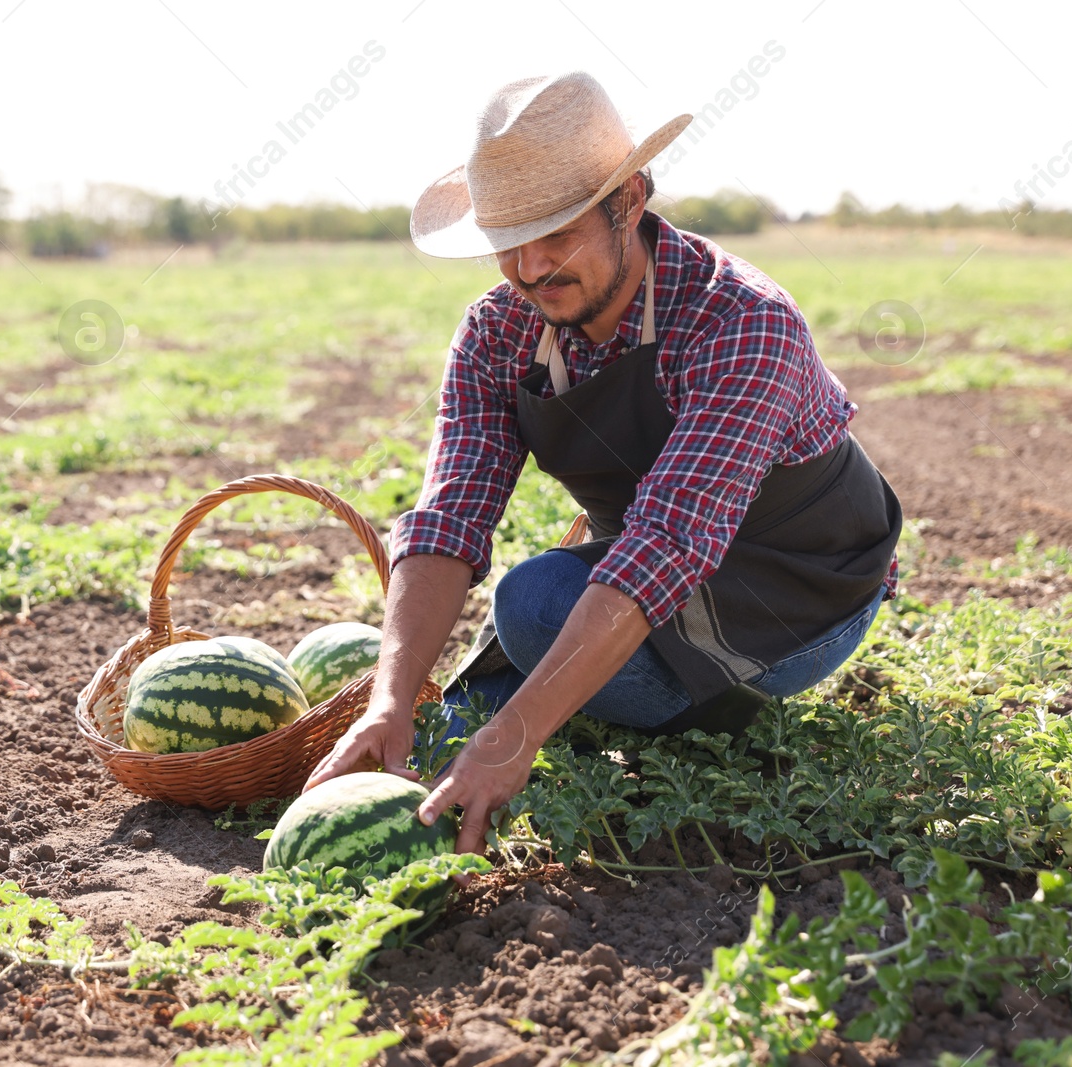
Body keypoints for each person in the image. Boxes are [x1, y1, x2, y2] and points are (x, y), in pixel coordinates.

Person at [305, 72, 902, 855]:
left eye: (557, 233)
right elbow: (451, 513)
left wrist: (519, 733)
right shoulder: (498, 330)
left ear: (630, 200)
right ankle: (545, 707)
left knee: (535, 604)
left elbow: (665, 543)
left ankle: (715, 712)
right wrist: (391, 698)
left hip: (803, 588)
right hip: (658, 568)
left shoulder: (743, 322)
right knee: (537, 610)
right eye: (508, 239)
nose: (529, 267)